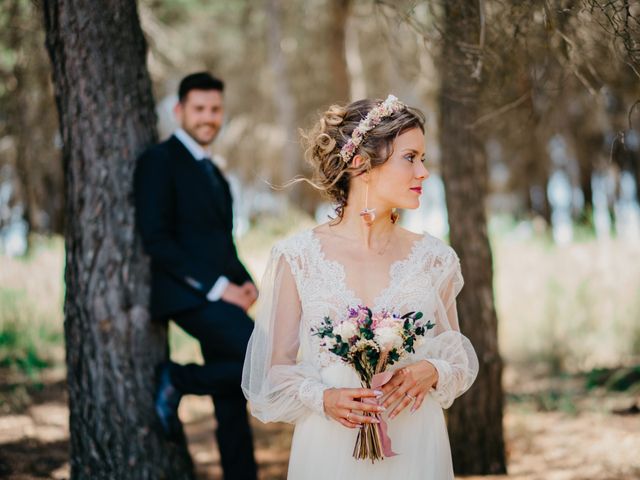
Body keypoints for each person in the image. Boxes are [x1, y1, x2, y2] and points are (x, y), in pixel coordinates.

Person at [242, 96, 478, 478]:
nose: (423, 173)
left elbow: (458, 357)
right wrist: (323, 398)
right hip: (330, 445)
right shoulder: (297, 257)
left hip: (415, 442)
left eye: (423, 159)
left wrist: (432, 369)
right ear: (360, 164)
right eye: (410, 157)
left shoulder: (436, 259)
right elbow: (273, 374)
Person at [134, 72, 257, 480]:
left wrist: (244, 280)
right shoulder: (159, 161)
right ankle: (178, 378)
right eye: (199, 109)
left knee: (233, 397)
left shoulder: (215, 174)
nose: (208, 117)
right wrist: (222, 289)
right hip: (183, 294)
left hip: (218, 294)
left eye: (215, 109)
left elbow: (221, 244)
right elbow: (158, 240)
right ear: (179, 111)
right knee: (259, 359)